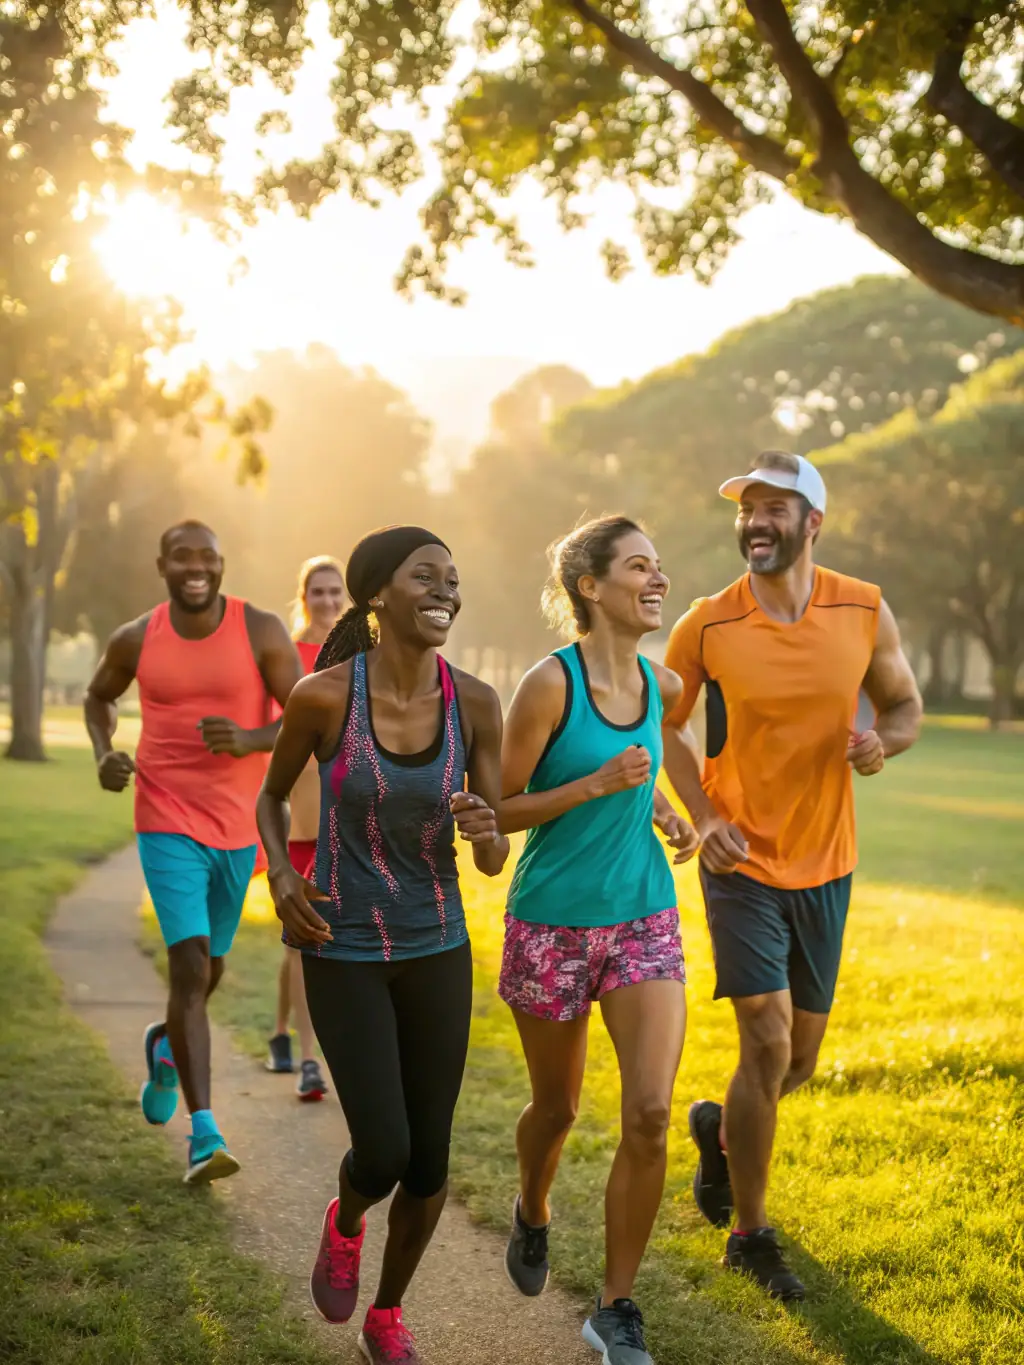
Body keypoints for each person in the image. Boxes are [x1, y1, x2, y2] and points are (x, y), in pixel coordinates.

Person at [661, 452, 923, 1301]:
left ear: (813, 521)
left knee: (796, 1060)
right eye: (748, 507)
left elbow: (904, 705)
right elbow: (665, 728)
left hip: (829, 861)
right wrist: (704, 815)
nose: (756, 520)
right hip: (741, 860)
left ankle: (721, 1133)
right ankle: (751, 1232)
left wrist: (884, 742)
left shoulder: (863, 607)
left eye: (776, 506)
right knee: (766, 1039)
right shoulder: (707, 622)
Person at [257, 525, 509, 1365]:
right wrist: (282, 880)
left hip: (437, 942)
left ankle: (388, 1314)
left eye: (453, 578)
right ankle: (347, 1218)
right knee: (387, 1148)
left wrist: (485, 829)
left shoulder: (476, 701)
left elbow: (493, 848)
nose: (445, 590)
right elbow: (267, 800)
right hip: (345, 944)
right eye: (425, 576)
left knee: (431, 1162)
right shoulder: (325, 697)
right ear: (378, 594)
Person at [497, 516, 700, 1365]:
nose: (657, 580)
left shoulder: (664, 684)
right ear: (590, 586)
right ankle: (532, 1208)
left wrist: (661, 806)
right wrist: (595, 783)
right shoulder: (548, 686)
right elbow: (500, 811)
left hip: (643, 913)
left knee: (651, 1110)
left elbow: (649, 762)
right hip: (550, 920)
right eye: (638, 568)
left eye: (659, 567)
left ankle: (616, 1306)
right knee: (557, 1107)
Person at [84, 520, 303, 1184]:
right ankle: (204, 1134)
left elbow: (307, 713)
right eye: (183, 557)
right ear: (163, 565)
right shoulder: (136, 637)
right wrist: (103, 753)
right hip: (164, 813)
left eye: (207, 556)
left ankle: (166, 1045)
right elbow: (98, 697)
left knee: (210, 972)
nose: (196, 566)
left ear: (222, 564)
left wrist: (249, 738)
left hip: (238, 826)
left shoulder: (260, 629)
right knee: (189, 966)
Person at [264, 555, 346, 1102]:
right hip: (302, 820)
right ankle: (310, 1062)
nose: (327, 601)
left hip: (348, 822)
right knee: (302, 944)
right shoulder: (289, 658)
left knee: (314, 943)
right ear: (304, 596)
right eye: (317, 592)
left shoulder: (363, 654)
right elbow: (276, 727)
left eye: (335, 592)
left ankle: (279, 1034)